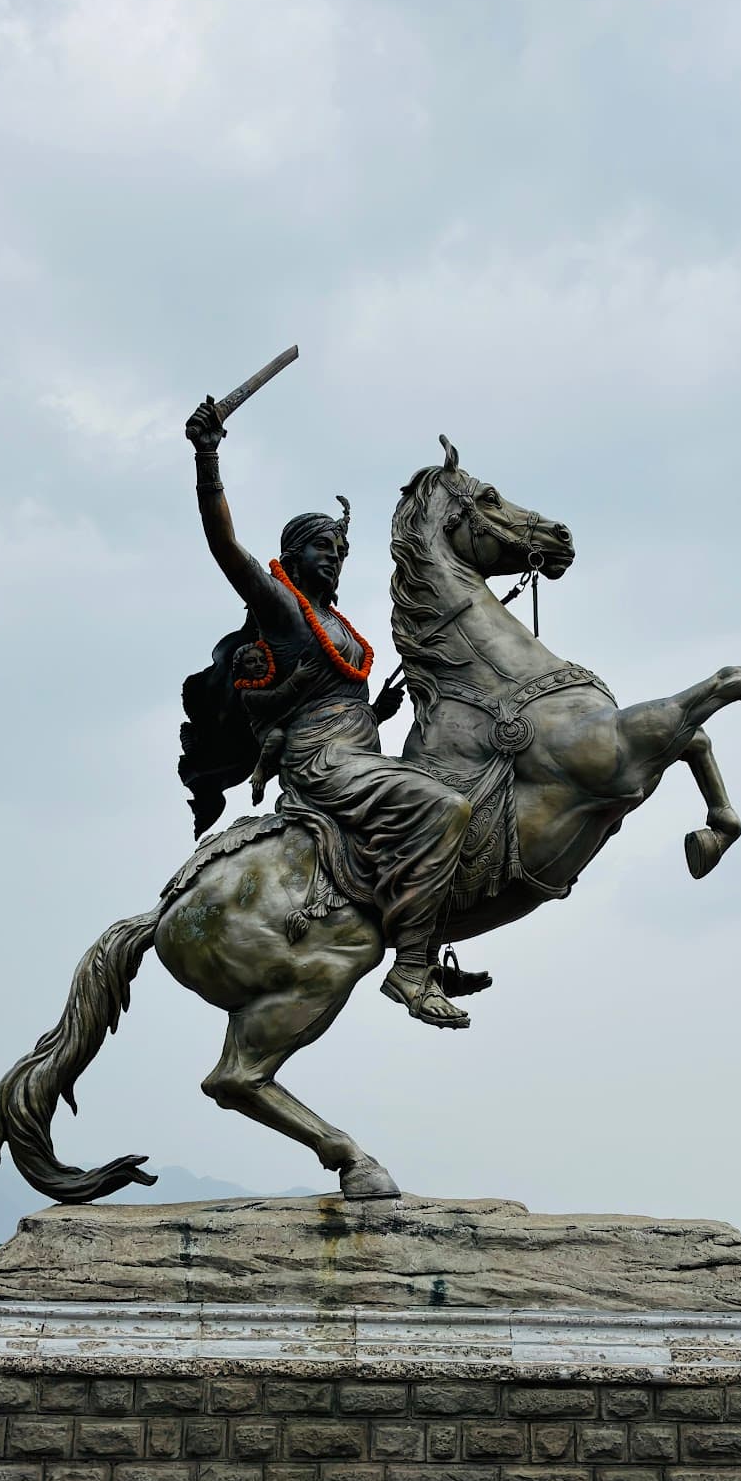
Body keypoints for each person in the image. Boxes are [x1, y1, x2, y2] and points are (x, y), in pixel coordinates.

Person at [180, 396, 477, 1029]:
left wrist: (375, 708)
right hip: (322, 763)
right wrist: (208, 456)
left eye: (340, 548)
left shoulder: (336, 623)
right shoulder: (283, 608)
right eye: (322, 545)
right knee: (444, 808)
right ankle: (412, 970)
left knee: (455, 794)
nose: (335, 556)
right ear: (292, 554)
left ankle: (431, 936)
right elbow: (223, 544)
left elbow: (329, 692)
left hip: (356, 748)